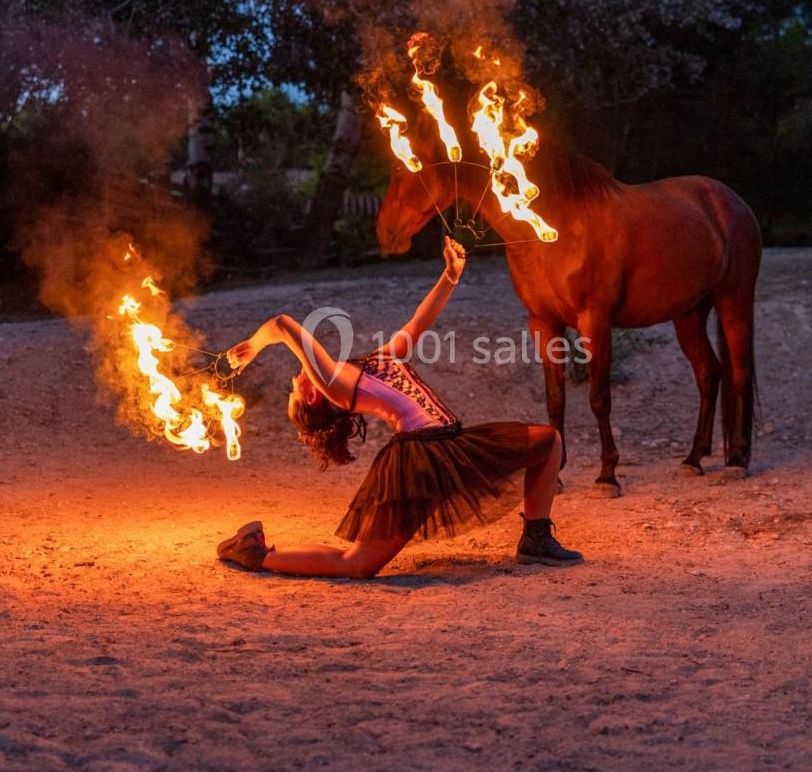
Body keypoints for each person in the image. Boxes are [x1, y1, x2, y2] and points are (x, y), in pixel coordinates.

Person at [217, 237, 583, 578]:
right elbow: (283, 326)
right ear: (314, 397)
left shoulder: (378, 361)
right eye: (293, 390)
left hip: (453, 443)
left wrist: (449, 276)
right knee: (357, 564)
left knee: (548, 442)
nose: (295, 380)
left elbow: (417, 324)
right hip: (419, 460)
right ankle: (257, 554)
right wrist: (253, 346)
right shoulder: (335, 387)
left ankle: (536, 539)